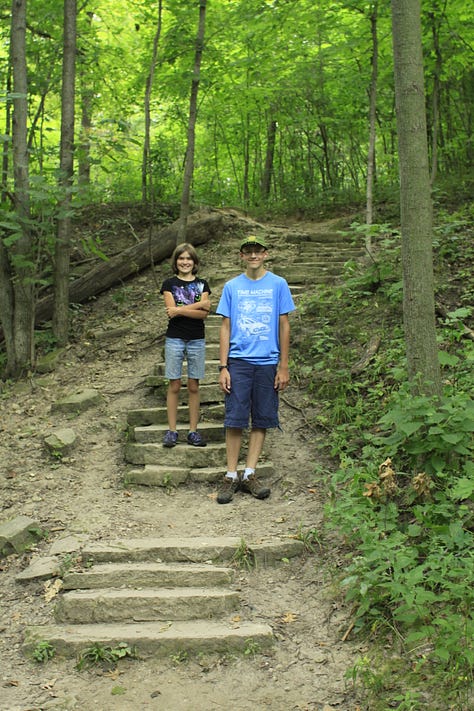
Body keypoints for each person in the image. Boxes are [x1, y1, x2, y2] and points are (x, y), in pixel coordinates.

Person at [215, 234, 296, 504]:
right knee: (235, 418)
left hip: (267, 361)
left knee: (262, 418)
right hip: (238, 361)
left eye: (257, 251)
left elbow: (284, 324)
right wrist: (223, 366)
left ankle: (250, 473)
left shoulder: (278, 284)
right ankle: (230, 475)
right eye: (248, 251)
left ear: (265, 254)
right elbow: (225, 326)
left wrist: (283, 365)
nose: (253, 256)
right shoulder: (232, 287)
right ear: (241, 256)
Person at [160, 243, 211, 448]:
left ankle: (192, 431)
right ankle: (172, 431)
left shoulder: (202, 284)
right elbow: (170, 309)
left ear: (195, 262)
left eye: (189, 258)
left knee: (193, 385)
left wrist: (181, 310)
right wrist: (198, 304)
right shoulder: (169, 284)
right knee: (174, 384)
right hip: (174, 338)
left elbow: (203, 315)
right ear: (176, 261)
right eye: (181, 258)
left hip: (197, 339)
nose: (185, 262)